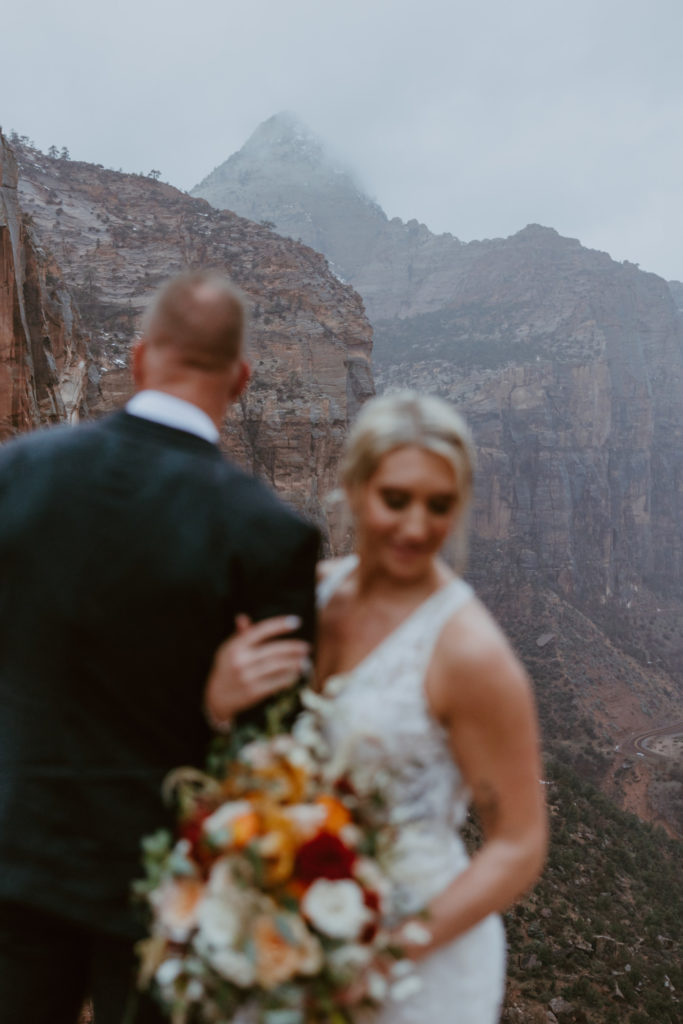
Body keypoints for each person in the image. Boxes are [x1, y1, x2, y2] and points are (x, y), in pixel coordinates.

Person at [0, 271, 318, 1024]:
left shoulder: (16, 475)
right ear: (241, 379)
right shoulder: (269, 535)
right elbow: (272, 748)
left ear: (139, 359)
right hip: (161, 891)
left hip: (11, 856)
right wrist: (211, 708)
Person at [210, 390, 547, 1024]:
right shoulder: (307, 597)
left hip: (419, 968)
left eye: (440, 506)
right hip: (292, 930)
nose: (416, 527)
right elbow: (251, 736)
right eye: (396, 499)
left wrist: (389, 952)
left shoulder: (470, 654)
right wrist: (219, 698)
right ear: (355, 487)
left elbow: (519, 845)